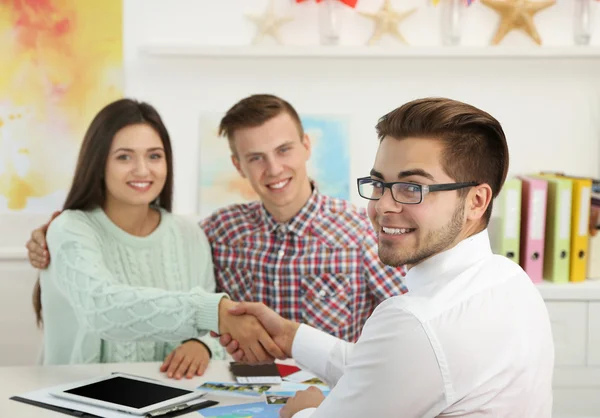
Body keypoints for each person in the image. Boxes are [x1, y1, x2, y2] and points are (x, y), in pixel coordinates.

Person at [216, 97, 555, 417]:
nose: (383, 206)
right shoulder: (511, 279)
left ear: (476, 202)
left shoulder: (416, 320)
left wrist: (303, 410)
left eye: (412, 188)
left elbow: (403, 355)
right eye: (379, 184)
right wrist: (292, 336)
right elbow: (391, 368)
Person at [27, 94, 408, 343]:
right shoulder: (218, 232)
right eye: (255, 157)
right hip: (233, 393)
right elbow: (144, 255)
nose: (273, 168)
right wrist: (52, 234)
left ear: (306, 146)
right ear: (237, 165)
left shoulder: (360, 231)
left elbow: (406, 321)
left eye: (284, 149)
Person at [31, 98, 283, 380]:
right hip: (72, 396)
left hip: (168, 398)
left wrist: (202, 344)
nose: (142, 170)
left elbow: (214, 332)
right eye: (124, 157)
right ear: (98, 162)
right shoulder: (70, 229)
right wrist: (212, 311)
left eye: (154, 156)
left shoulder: (188, 234)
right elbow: (101, 310)